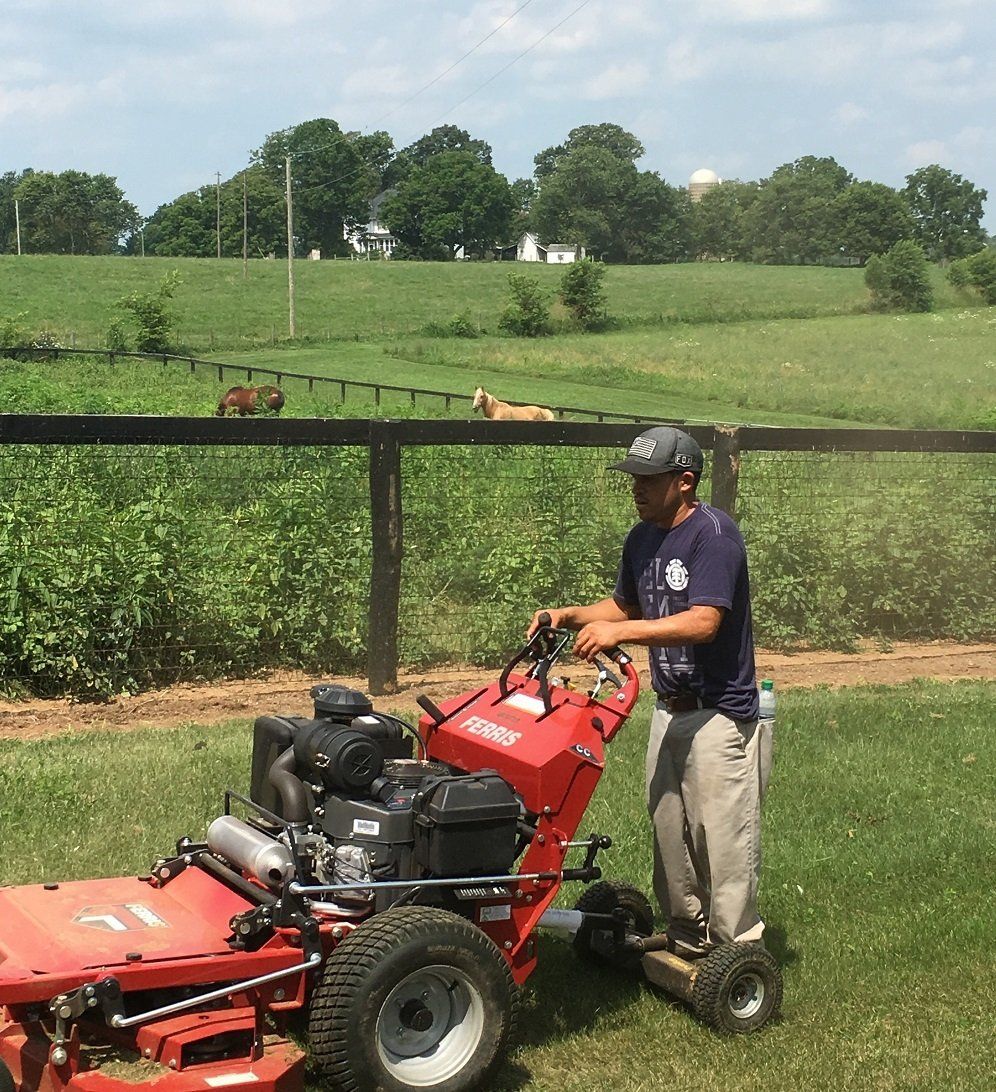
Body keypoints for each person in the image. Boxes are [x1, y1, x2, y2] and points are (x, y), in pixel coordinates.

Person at [529, 425, 771, 958]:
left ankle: (736, 952)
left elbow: (704, 621)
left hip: (719, 713)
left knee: (721, 838)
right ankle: (687, 937)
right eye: (633, 478)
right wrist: (567, 615)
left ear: (685, 481)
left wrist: (620, 634)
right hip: (670, 708)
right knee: (669, 830)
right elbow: (625, 606)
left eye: (647, 478)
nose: (635, 488)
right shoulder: (642, 538)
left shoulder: (715, 536)